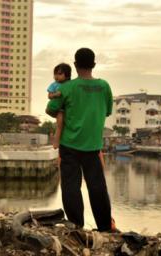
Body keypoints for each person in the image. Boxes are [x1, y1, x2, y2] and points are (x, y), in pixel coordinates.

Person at [46, 48, 114, 232]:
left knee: (71, 186)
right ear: (93, 65)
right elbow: (107, 110)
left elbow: (51, 109)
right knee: (97, 187)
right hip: (93, 145)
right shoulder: (104, 86)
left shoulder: (65, 87)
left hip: (69, 145)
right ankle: (105, 228)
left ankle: (76, 226)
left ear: (75, 65)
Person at [47, 63, 72, 149]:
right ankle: (56, 142)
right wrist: (55, 95)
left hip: (68, 108)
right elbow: (49, 96)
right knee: (60, 124)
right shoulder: (54, 85)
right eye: (55, 74)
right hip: (60, 109)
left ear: (67, 75)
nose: (56, 76)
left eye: (60, 74)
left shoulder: (70, 84)